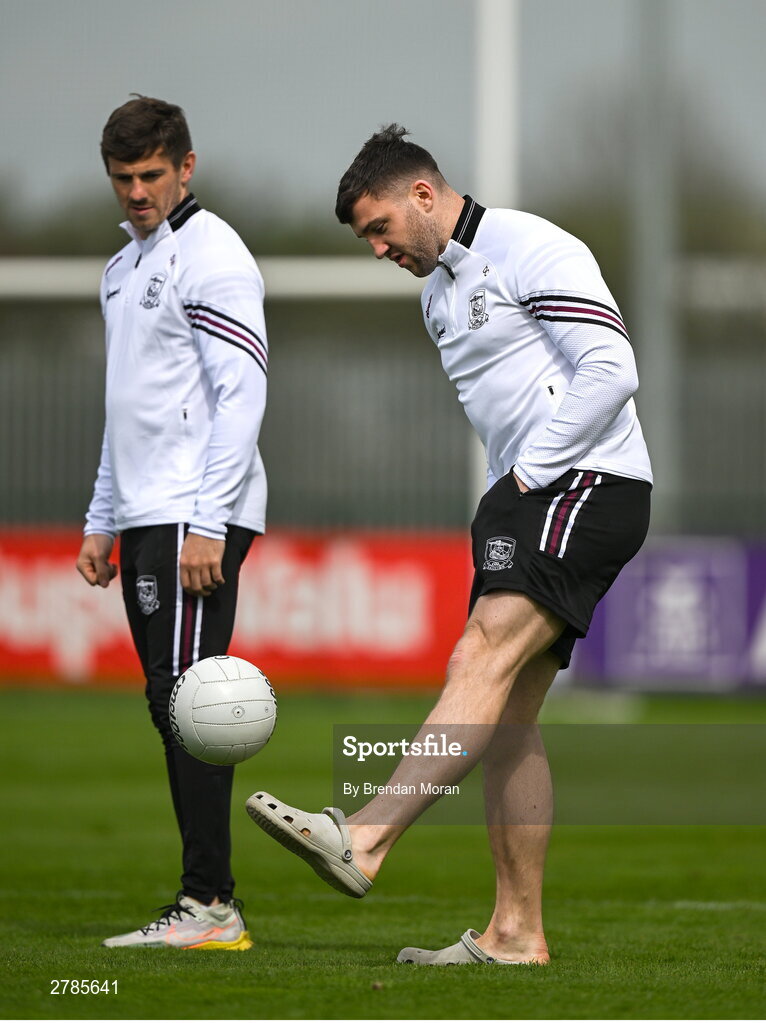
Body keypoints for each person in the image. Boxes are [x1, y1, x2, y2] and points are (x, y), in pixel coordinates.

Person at [246, 124, 652, 965]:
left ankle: (364, 837)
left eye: (380, 226)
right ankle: (515, 933)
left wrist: (530, 474)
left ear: (424, 195)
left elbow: (612, 370)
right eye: (366, 237)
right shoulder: (437, 295)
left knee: (478, 656)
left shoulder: (530, 245)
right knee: (507, 718)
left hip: (585, 481)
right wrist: (510, 489)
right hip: (526, 495)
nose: (377, 248)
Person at [76, 96, 268, 950]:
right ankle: (206, 902)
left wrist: (210, 522)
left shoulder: (214, 253)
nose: (138, 191)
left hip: (195, 511)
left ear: (186, 166)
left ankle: (210, 905)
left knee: (191, 702)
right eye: (124, 178)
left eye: (152, 174)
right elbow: (129, 408)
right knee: (171, 702)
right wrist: (100, 518)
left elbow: (243, 393)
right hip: (148, 512)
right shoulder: (123, 267)